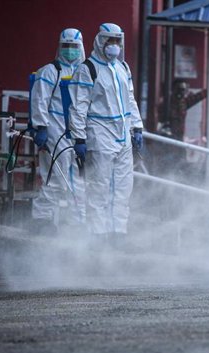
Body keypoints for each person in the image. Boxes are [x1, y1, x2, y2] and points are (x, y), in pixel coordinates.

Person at [68, 23, 143, 246]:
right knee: (98, 186)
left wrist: (137, 127)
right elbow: (78, 106)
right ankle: (97, 235)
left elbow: (130, 99)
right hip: (99, 133)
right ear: (100, 41)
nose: (114, 46)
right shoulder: (88, 69)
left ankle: (118, 232)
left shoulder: (123, 68)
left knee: (123, 186)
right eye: (110, 41)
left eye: (117, 41)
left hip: (122, 134)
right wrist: (79, 137)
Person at [30, 28, 87, 235]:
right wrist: (41, 127)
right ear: (60, 46)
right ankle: (42, 219)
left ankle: (77, 222)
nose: (71, 51)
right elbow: (40, 102)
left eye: (75, 46)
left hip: (78, 133)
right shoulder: (49, 71)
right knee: (54, 177)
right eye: (67, 46)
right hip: (54, 131)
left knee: (78, 180)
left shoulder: (86, 73)